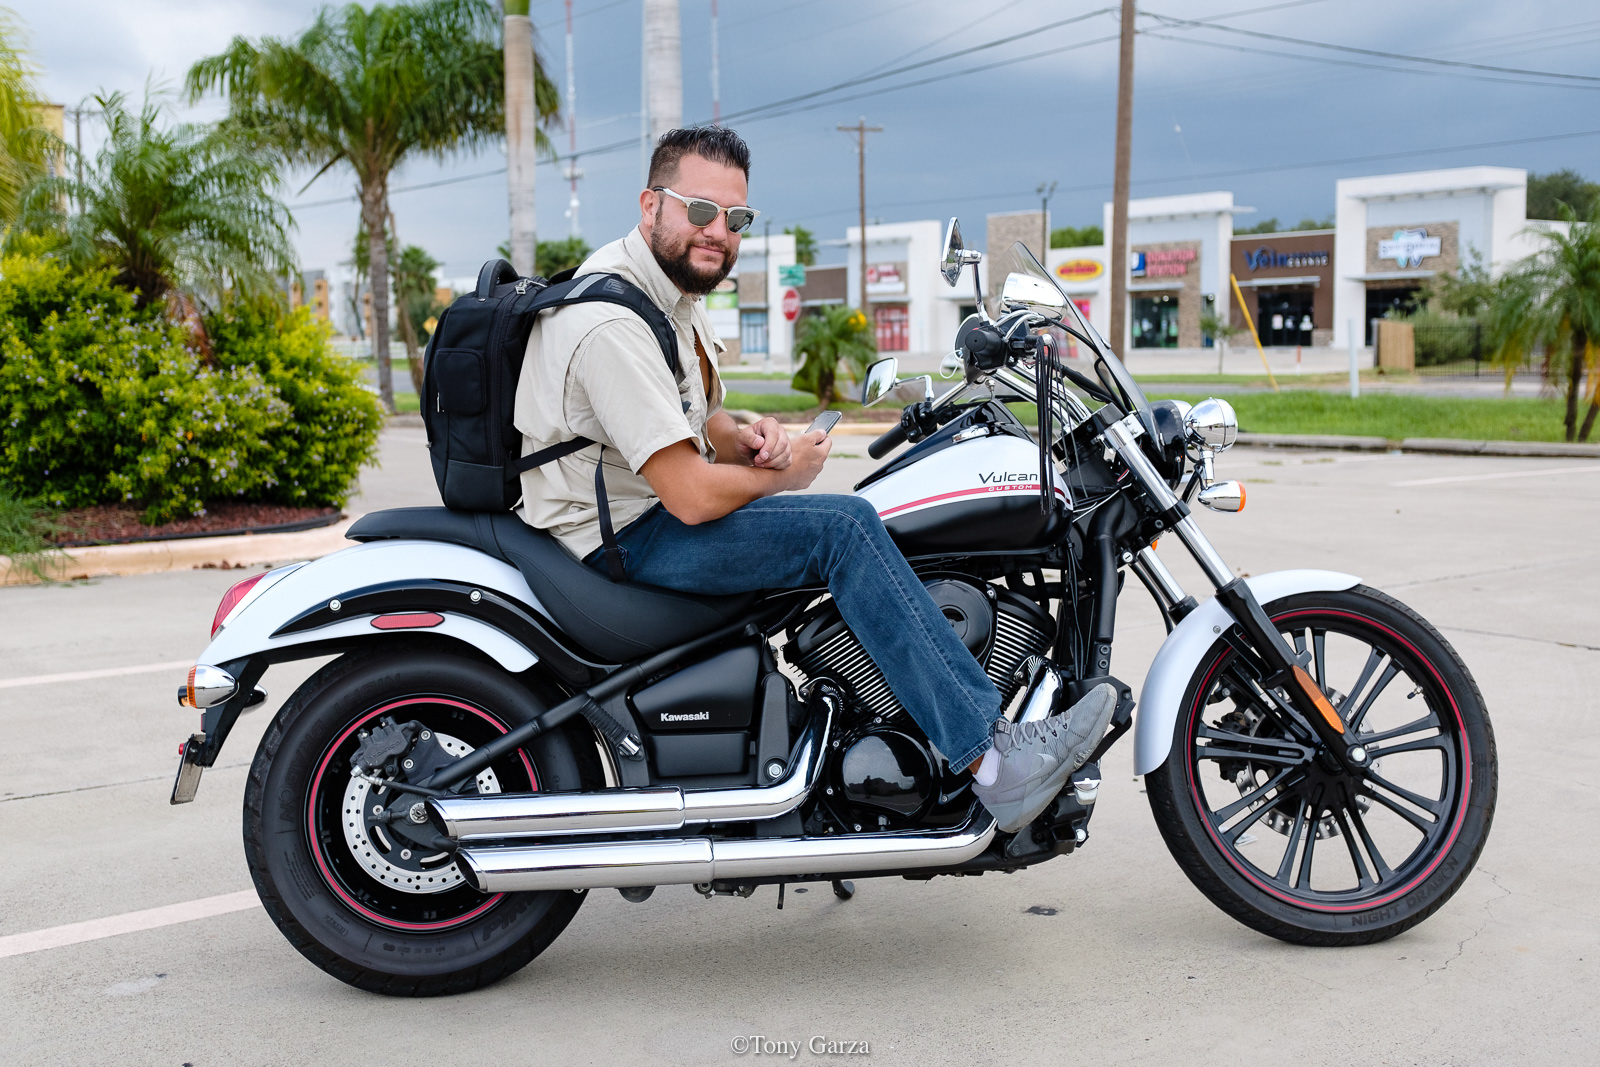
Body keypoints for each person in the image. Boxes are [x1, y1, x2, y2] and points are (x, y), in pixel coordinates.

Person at [514, 126, 1114, 833]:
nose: (719, 232)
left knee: (855, 522)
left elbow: (693, 420)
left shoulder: (664, 292)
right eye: (700, 211)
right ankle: (992, 762)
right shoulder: (612, 322)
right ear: (651, 205)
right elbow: (688, 492)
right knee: (845, 527)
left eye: (736, 218)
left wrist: (746, 436)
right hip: (629, 535)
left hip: (635, 510)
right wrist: (785, 475)